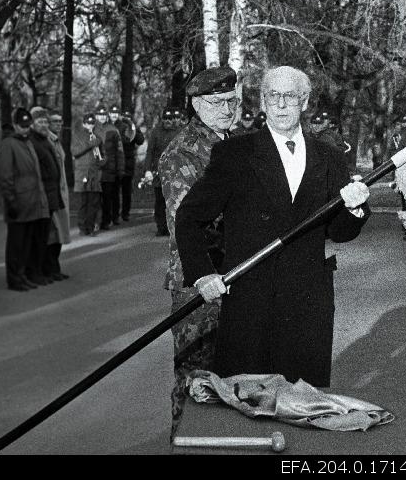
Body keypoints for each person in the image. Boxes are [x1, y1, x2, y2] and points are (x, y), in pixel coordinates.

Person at [175, 66, 371, 389]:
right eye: (273, 96)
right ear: (262, 103)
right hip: (252, 305)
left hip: (308, 305)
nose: (281, 105)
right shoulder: (235, 154)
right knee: (247, 410)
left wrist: (354, 208)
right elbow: (189, 217)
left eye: (290, 97)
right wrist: (203, 273)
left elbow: (340, 231)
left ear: (304, 102)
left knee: (303, 414)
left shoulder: (331, 157)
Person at [158, 65, 239, 436]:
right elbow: (185, 223)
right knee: (194, 378)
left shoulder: (233, 143)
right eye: (217, 102)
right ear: (194, 104)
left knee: (231, 375)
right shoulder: (183, 152)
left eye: (232, 100)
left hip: (235, 273)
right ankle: (185, 441)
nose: (227, 109)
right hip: (199, 279)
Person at [0, 108, 49, 291]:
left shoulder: (27, 143)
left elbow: (35, 174)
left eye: (28, 126)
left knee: (26, 244)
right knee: (16, 245)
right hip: (18, 203)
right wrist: (10, 201)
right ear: (15, 125)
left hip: (31, 203)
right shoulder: (8, 144)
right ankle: (14, 279)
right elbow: (5, 176)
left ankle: (22, 275)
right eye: (22, 126)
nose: (26, 129)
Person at [28, 106, 64, 285]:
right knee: (41, 237)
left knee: (49, 235)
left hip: (51, 195)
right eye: (39, 122)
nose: (43, 124)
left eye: (44, 121)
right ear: (32, 124)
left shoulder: (44, 140)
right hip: (42, 197)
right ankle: (40, 271)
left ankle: (49, 269)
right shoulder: (33, 142)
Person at [143, 108, 181, 236]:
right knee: (160, 201)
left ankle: (173, 227)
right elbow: (149, 152)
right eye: (165, 118)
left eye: (170, 119)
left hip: (174, 172)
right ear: (162, 119)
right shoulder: (155, 133)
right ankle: (161, 227)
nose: (168, 121)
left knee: (173, 201)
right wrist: (147, 170)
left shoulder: (179, 132)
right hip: (159, 173)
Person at [44, 109, 70, 280]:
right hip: (53, 193)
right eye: (55, 122)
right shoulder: (47, 141)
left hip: (62, 192)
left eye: (60, 121)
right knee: (53, 232)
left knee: (59, 232)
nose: (59, 124)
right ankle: (50, 269)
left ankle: (54, 268)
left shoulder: (56, 141)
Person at [71, 113, 104, 236]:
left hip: (94, 173)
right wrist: (91, 144)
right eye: (88, 123)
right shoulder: (77, 136)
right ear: (84, 123)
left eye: (92, 123)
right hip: (82, 174)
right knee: (83, 203)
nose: (90, 125)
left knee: (93, 202)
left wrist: (102, 161)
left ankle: (90, 227)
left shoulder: (97, 137)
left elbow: (102, 154)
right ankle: (82, 227)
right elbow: (75, 152)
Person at [95, 106, 124, 230]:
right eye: (99, 115)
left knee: (107, 197)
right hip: (95, 170)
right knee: (95, 198)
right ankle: (95, 221)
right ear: (96, 116)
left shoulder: (113, 130)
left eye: (103, 115)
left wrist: (120, 169)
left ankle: (106, 221)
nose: (101, 117)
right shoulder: (91, 129)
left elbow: (119, 151)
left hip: (109, 169)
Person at [115, 108, 145, 221]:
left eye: (128, 117)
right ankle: (115, 212)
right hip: (118, 162)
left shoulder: (133, 128)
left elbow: (140, 140)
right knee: (115, 189)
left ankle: (125, 213)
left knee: (126, 190)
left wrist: (134, 128)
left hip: (128, 162)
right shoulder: (117, 127)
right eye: (125, 117)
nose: (126, 119)